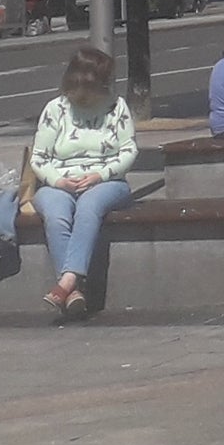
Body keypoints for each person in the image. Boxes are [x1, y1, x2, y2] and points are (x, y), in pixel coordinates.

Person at [30, 46, 137, 320]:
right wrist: (57, 180)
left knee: (89, 207)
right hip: (60, 180)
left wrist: (100, 175)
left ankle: (66, 282)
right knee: (55, 213)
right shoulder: (55, 109)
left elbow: (129, 150)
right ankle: (74, 289)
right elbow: (39, 158)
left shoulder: (116, 107)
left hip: (106, 179)